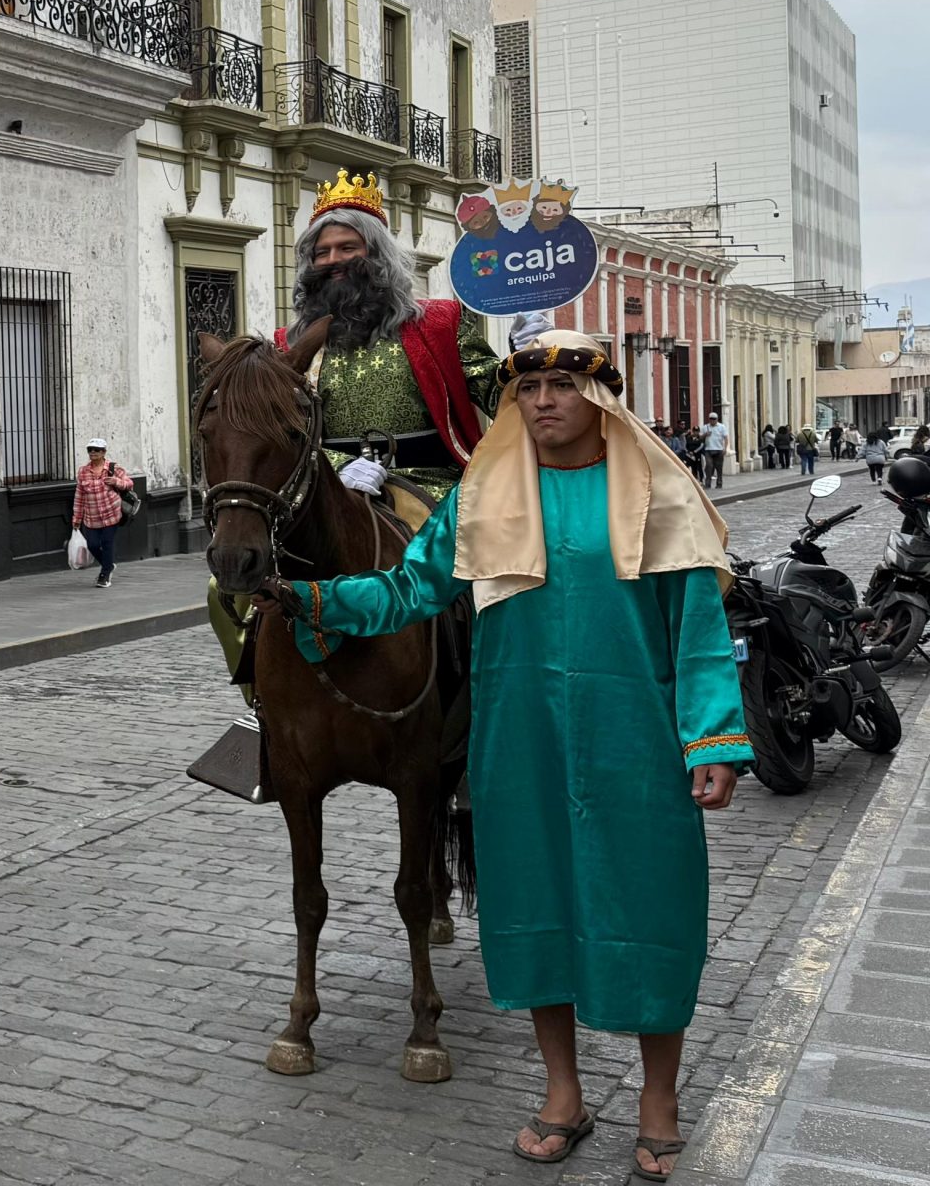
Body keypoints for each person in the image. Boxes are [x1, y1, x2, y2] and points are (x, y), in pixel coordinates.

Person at [256, 332, 747, 1180]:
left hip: (634, 741)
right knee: (533, 906)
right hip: (518, 740)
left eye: (560, 385)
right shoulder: (481, 500)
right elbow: (411, 589)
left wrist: (713, 736)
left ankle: (657, 1098)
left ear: (597, 398)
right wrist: (312, 596)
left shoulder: (658, 493)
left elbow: (699, 633)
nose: (543, 401)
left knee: (651, 909)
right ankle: (563, 1094)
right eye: (528, 389)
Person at [206, 170, 528, 697]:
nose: (332, 260)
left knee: (477, 582)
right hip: (325, 488)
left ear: (376, 254)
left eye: (347, 247)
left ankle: (478, 702)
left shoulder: (440, 323)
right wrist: (336, 472)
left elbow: (498, 396)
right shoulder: (290, 344)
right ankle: (263, 705)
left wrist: (526, 359)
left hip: (430, 484)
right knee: (233, 586)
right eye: (321, 251)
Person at [70, 439, 134, 588]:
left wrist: (117, 482)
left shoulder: (113, 468)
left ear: (103, 452)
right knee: (92, 545)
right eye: (90, 449)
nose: (93, 452)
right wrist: (77, 518)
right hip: (91, 517)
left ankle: (105, 574)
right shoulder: (83, 471)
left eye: (96, 450)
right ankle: (109, 564)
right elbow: (79, 496)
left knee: (107, 543)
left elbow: (129, 483)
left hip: (111, 514)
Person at [699, 411, 729, 489]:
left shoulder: (722, 427)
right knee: (709, 466)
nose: (712, 420)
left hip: (719, 449)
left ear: (717, 419)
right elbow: (700, 438)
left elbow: (726, 438)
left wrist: (725, 448)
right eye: (711, 419)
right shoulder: (705, 427)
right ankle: (707, 483)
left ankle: (719, 483)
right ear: (709, 419)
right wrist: (706, 434)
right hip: (708, 449)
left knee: (719, 468)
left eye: (714, 419)